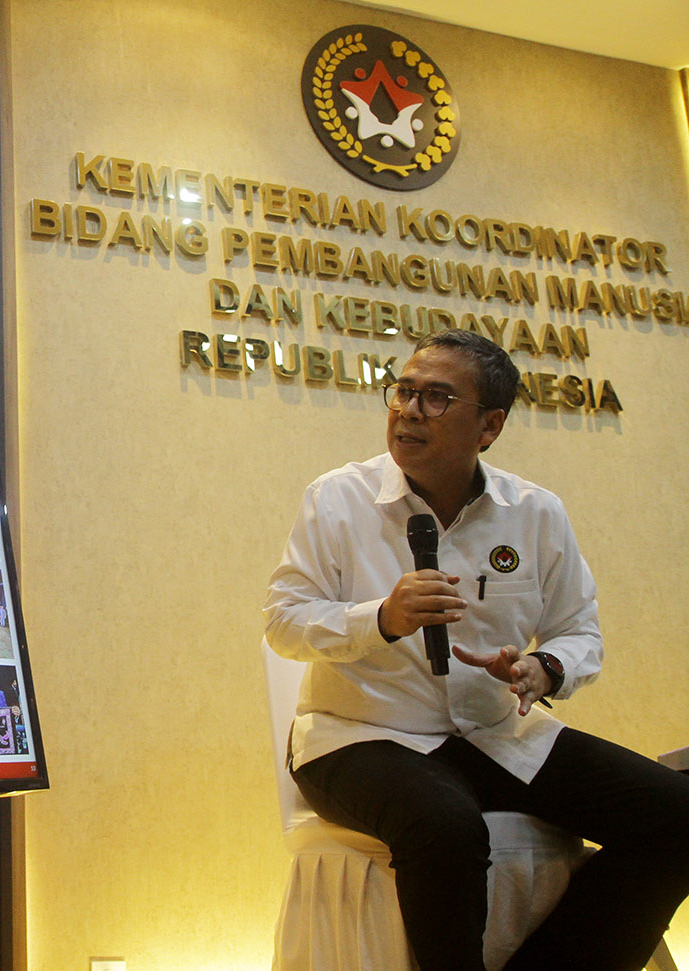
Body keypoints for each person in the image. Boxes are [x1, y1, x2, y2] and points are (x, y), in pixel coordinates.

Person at [263, 329, 689, 971]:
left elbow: (580, 631)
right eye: (403, 390)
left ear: (488, 426)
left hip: (497, 730)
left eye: (436, 398)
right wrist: (380, 617)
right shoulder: (338, 498)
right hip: (361, 735)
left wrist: (543, 669)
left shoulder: (536, 513)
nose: (407, 410)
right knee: (447, 828)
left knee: (676, 816)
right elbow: (284, 621)